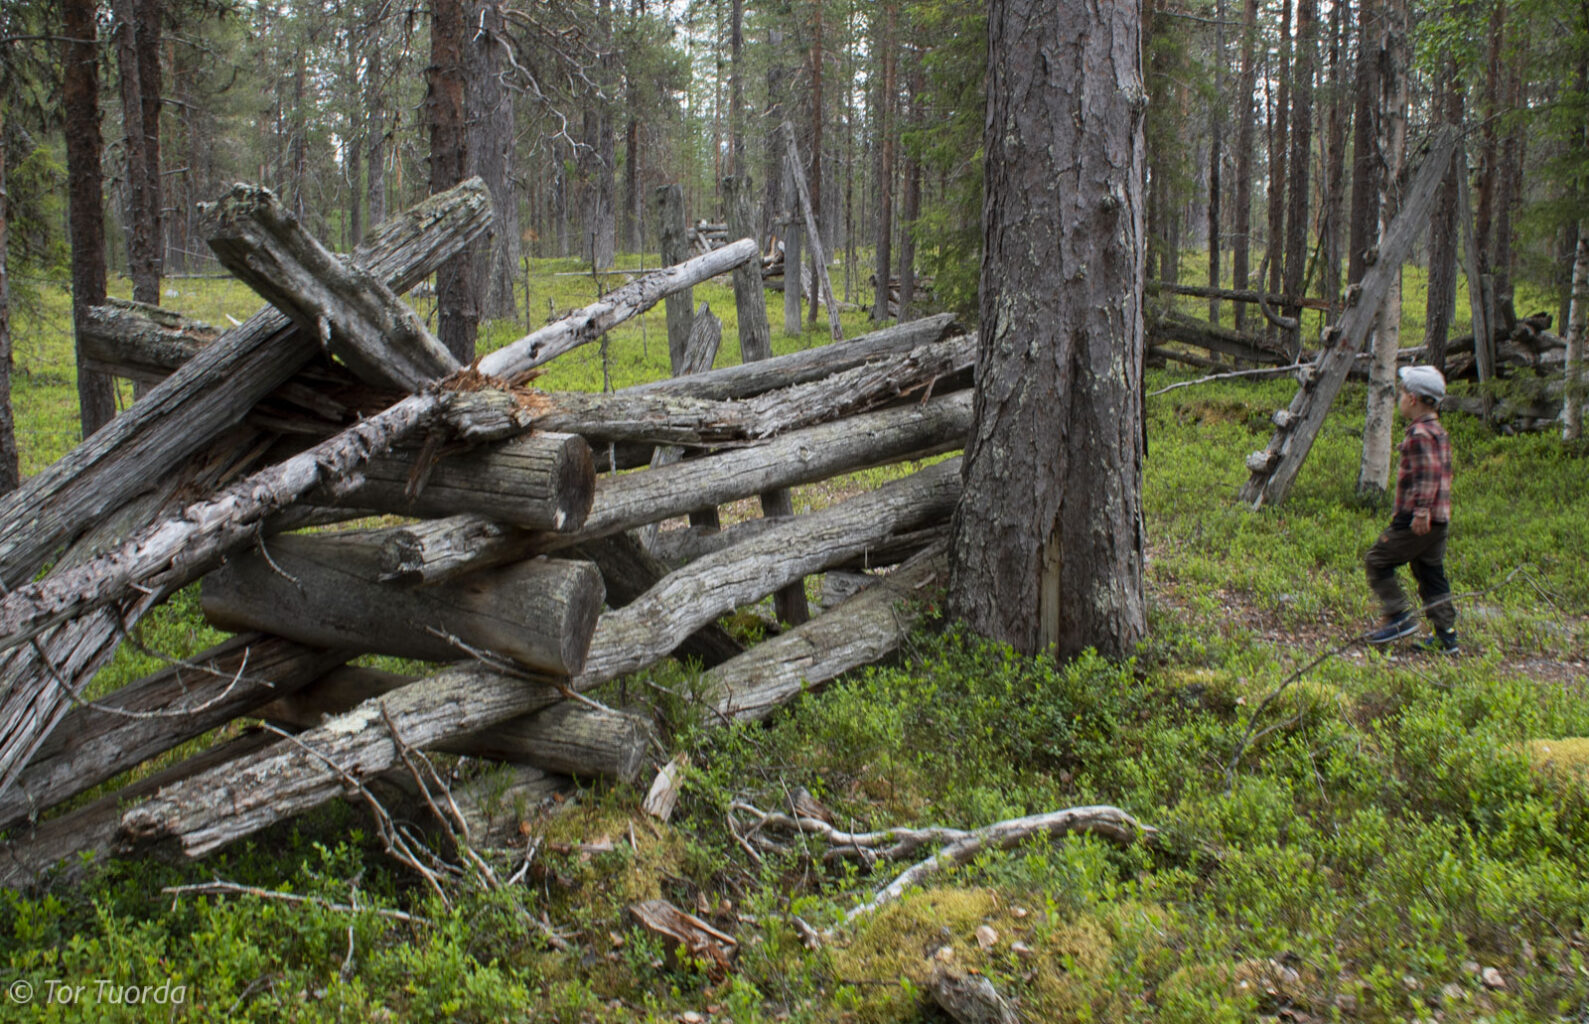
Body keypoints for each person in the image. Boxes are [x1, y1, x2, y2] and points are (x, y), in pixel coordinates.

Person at [1365, 365, 1459, 653]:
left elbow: (1427, 475)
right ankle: (1446, 635)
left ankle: (1397, 616)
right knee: (1431, 573)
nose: (1400, 397)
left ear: (1414, 399)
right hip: (1440, 519)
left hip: (1417, 520)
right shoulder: (1437, 431)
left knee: (1377, 560)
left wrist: (1420, 511)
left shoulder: (1419, 434)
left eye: (1403, 392)